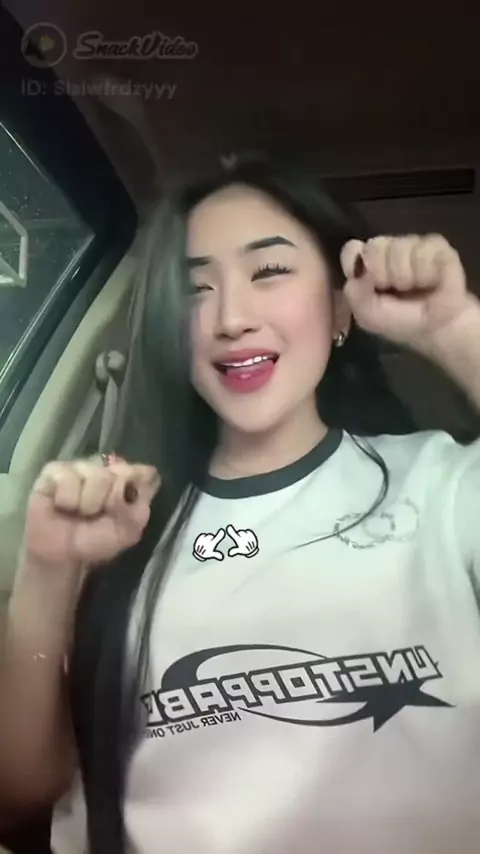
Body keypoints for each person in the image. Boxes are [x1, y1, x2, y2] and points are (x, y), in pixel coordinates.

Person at [2, 154, 480, 854]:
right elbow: (19, 795)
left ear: (340, 307)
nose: (230, 318)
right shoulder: (117, 527)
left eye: (270, 271)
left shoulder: (444, 485)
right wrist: (47, 570)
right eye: (195, 289)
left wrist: (453, 326)